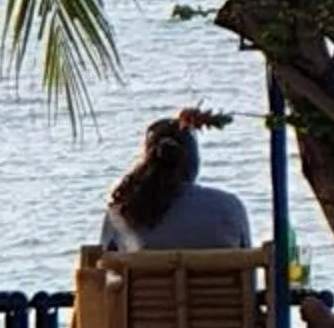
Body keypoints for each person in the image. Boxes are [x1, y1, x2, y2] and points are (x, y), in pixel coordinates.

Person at [100, 107, 252, 252]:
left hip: (147, 279)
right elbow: (248, 275)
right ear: (193, 161)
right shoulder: (229, 209)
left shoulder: (121, 215)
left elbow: (105, 274)